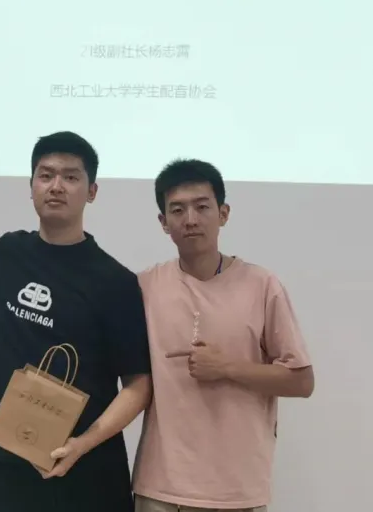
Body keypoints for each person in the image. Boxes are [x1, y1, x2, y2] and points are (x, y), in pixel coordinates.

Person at [0, 131, 152, 512]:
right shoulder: (6, 253)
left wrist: (82, 444)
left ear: (92, 191)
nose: (56, 186)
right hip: (12, 461)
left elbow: (138, 386)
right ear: (31, 186)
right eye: (46, 175)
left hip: (89, 469)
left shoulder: (116, 281)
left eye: (71, 177)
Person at [133, 159, 314, 512]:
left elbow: (302, 381)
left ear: (224, 213)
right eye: (177, 210)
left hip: (237, 491)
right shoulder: (145, 286)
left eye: (202, 207)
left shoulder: (262, 285)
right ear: (163, 222)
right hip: (162, 487)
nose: (190, 219)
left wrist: (228, 367)